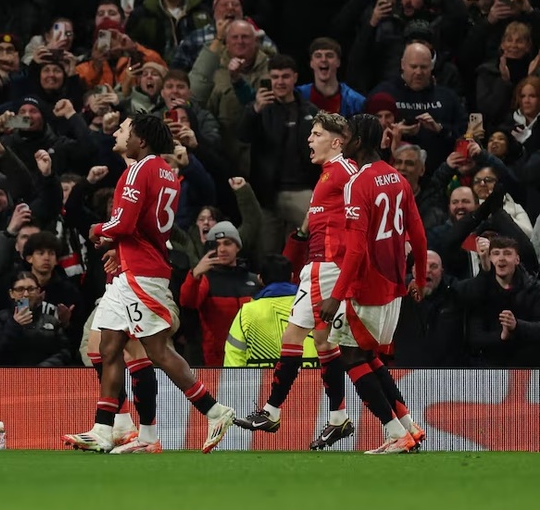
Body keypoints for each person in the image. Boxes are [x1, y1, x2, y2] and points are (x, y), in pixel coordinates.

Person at [62, 114, 235, 454]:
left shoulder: (138, 170)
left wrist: (99, 230)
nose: (118, 133)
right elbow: (143, 226)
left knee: (157, 351)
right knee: (107, 347)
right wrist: (118, 246)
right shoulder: (167, 173)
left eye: (124, 130)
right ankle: (104, 429)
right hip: (134, 269)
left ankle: (215, 410)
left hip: (141, 275)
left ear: (140, 140)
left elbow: (124, 223)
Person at [236, 112, 357, 449]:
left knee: (305, 339)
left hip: (329, 265)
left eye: (316, 134)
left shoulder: (346, 171)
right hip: (318, 265)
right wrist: (300, 238)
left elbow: (366, 207)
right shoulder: (328, 174)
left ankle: (274, 412)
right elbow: (317, 217)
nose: (309, 139)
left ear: (336, 142)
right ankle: (336, 417)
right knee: (319, 342)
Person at [319, 114, 428, 454]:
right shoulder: (398, 179)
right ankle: (408, 426)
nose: (342, 141)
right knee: (367, 355)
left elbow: (356, 249)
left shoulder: (358, 183)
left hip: (367, 286)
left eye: (347, 135)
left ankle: (395, 433)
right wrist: (419, 278)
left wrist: (336, 296)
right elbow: (419, 236)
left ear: (359, 140)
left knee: (351, 357)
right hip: (394, 285)